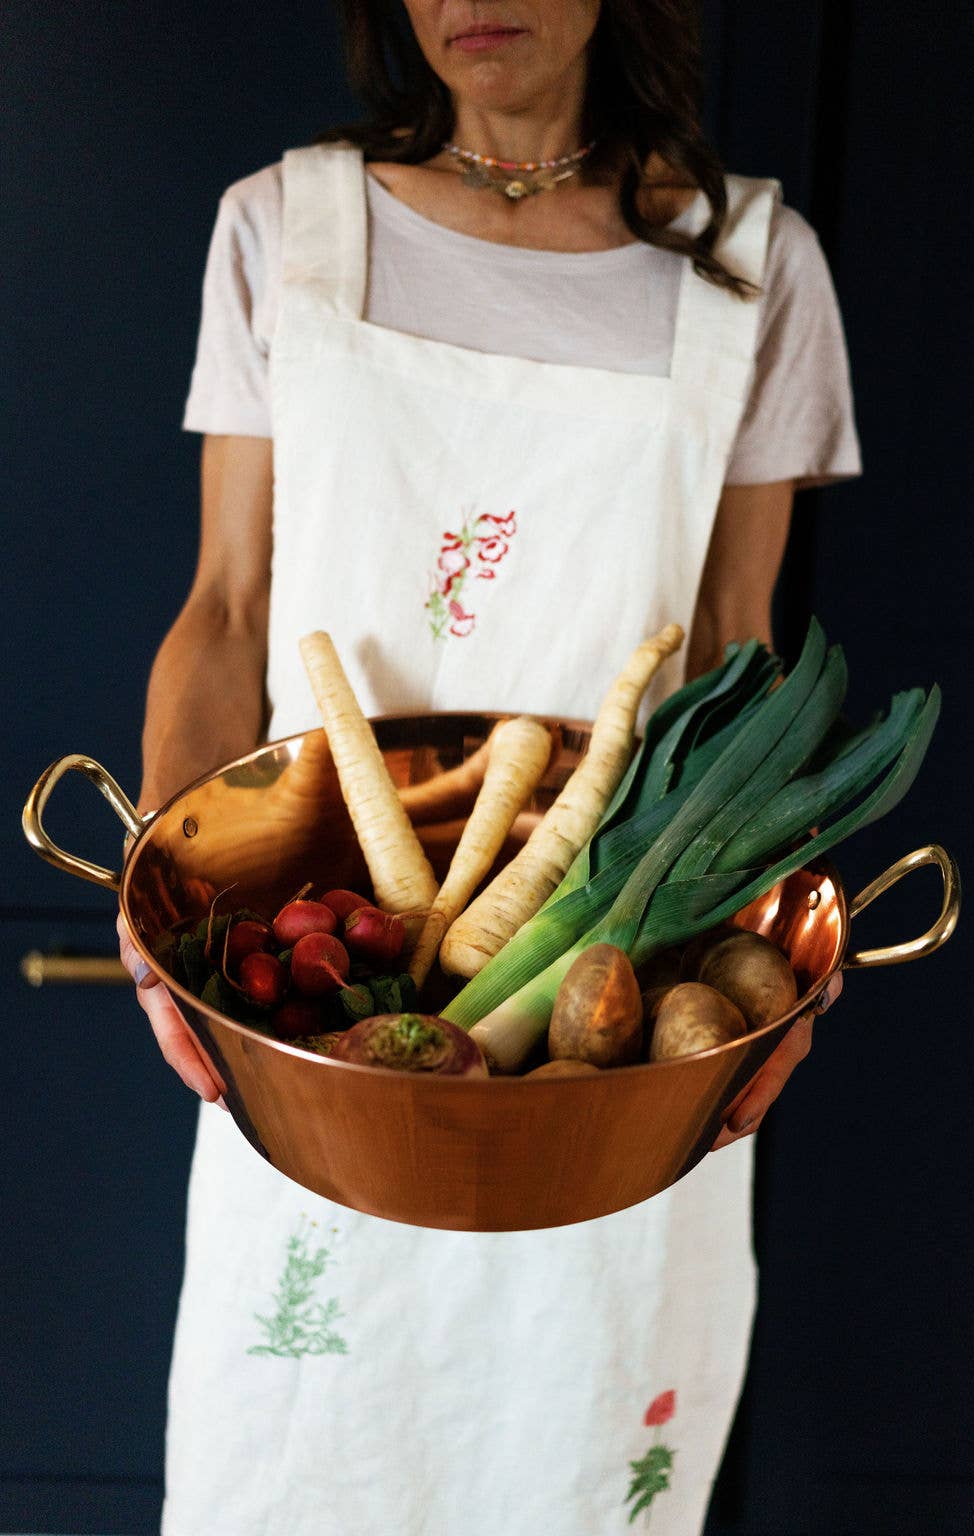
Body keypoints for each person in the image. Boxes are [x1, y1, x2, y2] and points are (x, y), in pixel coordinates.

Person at [118, 2, 859, 1530]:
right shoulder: (284, 229)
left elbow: (735, 656)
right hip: (319, 1001)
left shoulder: (751, 266)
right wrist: (162, 923)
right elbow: (228, 612)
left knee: (579, 1454)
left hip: (617, 1029)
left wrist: (777, 979)